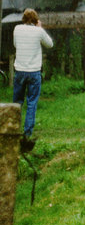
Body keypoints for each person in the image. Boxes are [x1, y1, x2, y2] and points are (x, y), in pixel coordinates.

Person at [13, 8, 53, 151]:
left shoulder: (17, 29)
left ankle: (13, 130)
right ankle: (27, 134)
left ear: (23, 19)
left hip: (19, 71)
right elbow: (50, 44)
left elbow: (15, 45)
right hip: (34, 72)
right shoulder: (38, 31)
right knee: (32, 103)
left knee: (17, 103)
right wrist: (40, 28)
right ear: (36, 20)